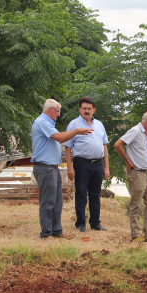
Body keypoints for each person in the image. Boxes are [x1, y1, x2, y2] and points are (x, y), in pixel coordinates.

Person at [31, 99, 92, 239]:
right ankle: (46, 233)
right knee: (48, 202)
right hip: (45, 168)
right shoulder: (42, 122)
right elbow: (59, 137)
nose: (59, 114)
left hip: (52, 167)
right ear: (50, 110)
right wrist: (76, 130)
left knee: (57, 201)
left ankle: (57, 231)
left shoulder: (48, 123)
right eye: (58, 111)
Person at [65, 97, 110, 232]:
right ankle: (80, 223)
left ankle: (95, 223)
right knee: (81, 194)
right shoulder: (74, 125)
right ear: (80, 109)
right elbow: (67, 147)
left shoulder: (100, 125)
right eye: (84, 108)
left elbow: (105, 146)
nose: (86, 111)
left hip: (97, 164)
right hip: (81, 164)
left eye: (89, 108)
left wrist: (106, 167)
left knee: (95, 195)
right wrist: (69, 167)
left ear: (93, 110)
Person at [114, 111, 147, 242]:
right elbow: (118, 144)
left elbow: (140, 150)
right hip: (136, 173)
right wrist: (128, 162)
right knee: (136, 205)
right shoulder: (135, 131)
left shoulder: (146, 133)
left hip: (145, 173)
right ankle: (135, 235)